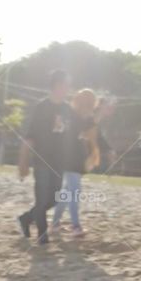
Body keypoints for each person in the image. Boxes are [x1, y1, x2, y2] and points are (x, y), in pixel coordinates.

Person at [17, 69, 70, 245]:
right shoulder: (41, 107)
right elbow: (30, 135)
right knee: (41, 198)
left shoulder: (67, 109)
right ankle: (42, 235)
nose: (67, 88)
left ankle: (26, 218)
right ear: (56, 85)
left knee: (54, 199)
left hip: (59, 160)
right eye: (65, 84)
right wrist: (23, 161)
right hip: (42, 159)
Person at [51, 88, 99, 237]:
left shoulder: (71, 113)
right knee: (74, 193)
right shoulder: (79, 116)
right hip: (72, 158)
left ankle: (55, 224)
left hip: (72, 157)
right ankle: (76, 226)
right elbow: (92, 138)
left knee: (67, 192)